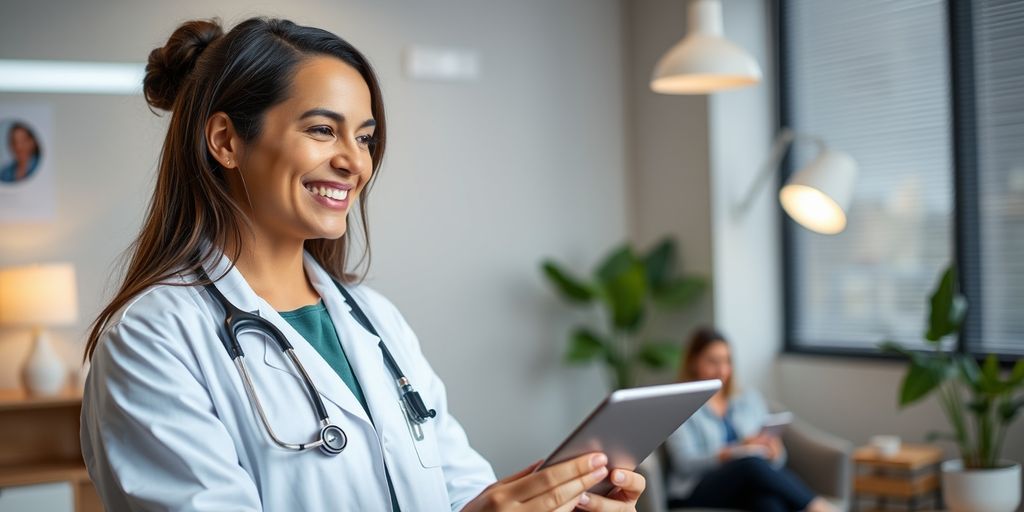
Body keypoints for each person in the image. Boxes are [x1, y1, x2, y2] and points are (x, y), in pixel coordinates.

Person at [79, 17, 645, 512]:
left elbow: (457, 491)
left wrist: (556, 501)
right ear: (226, 141)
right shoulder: (152, 338)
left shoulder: (375, 320)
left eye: (366, 137)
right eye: (323, 129)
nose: (356, 162)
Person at [663, 327, 836, 512]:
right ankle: (816, 506)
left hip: (746, 484)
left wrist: (774, 452)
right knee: (749, 463)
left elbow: (775, 461)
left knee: (768, 503)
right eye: (712, 361)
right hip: (697, 489)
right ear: (693, 362)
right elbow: (684, 463)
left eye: (726, 361)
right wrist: (730, 453)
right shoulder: (681, 405)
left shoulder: (748, 399)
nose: (721, 370)